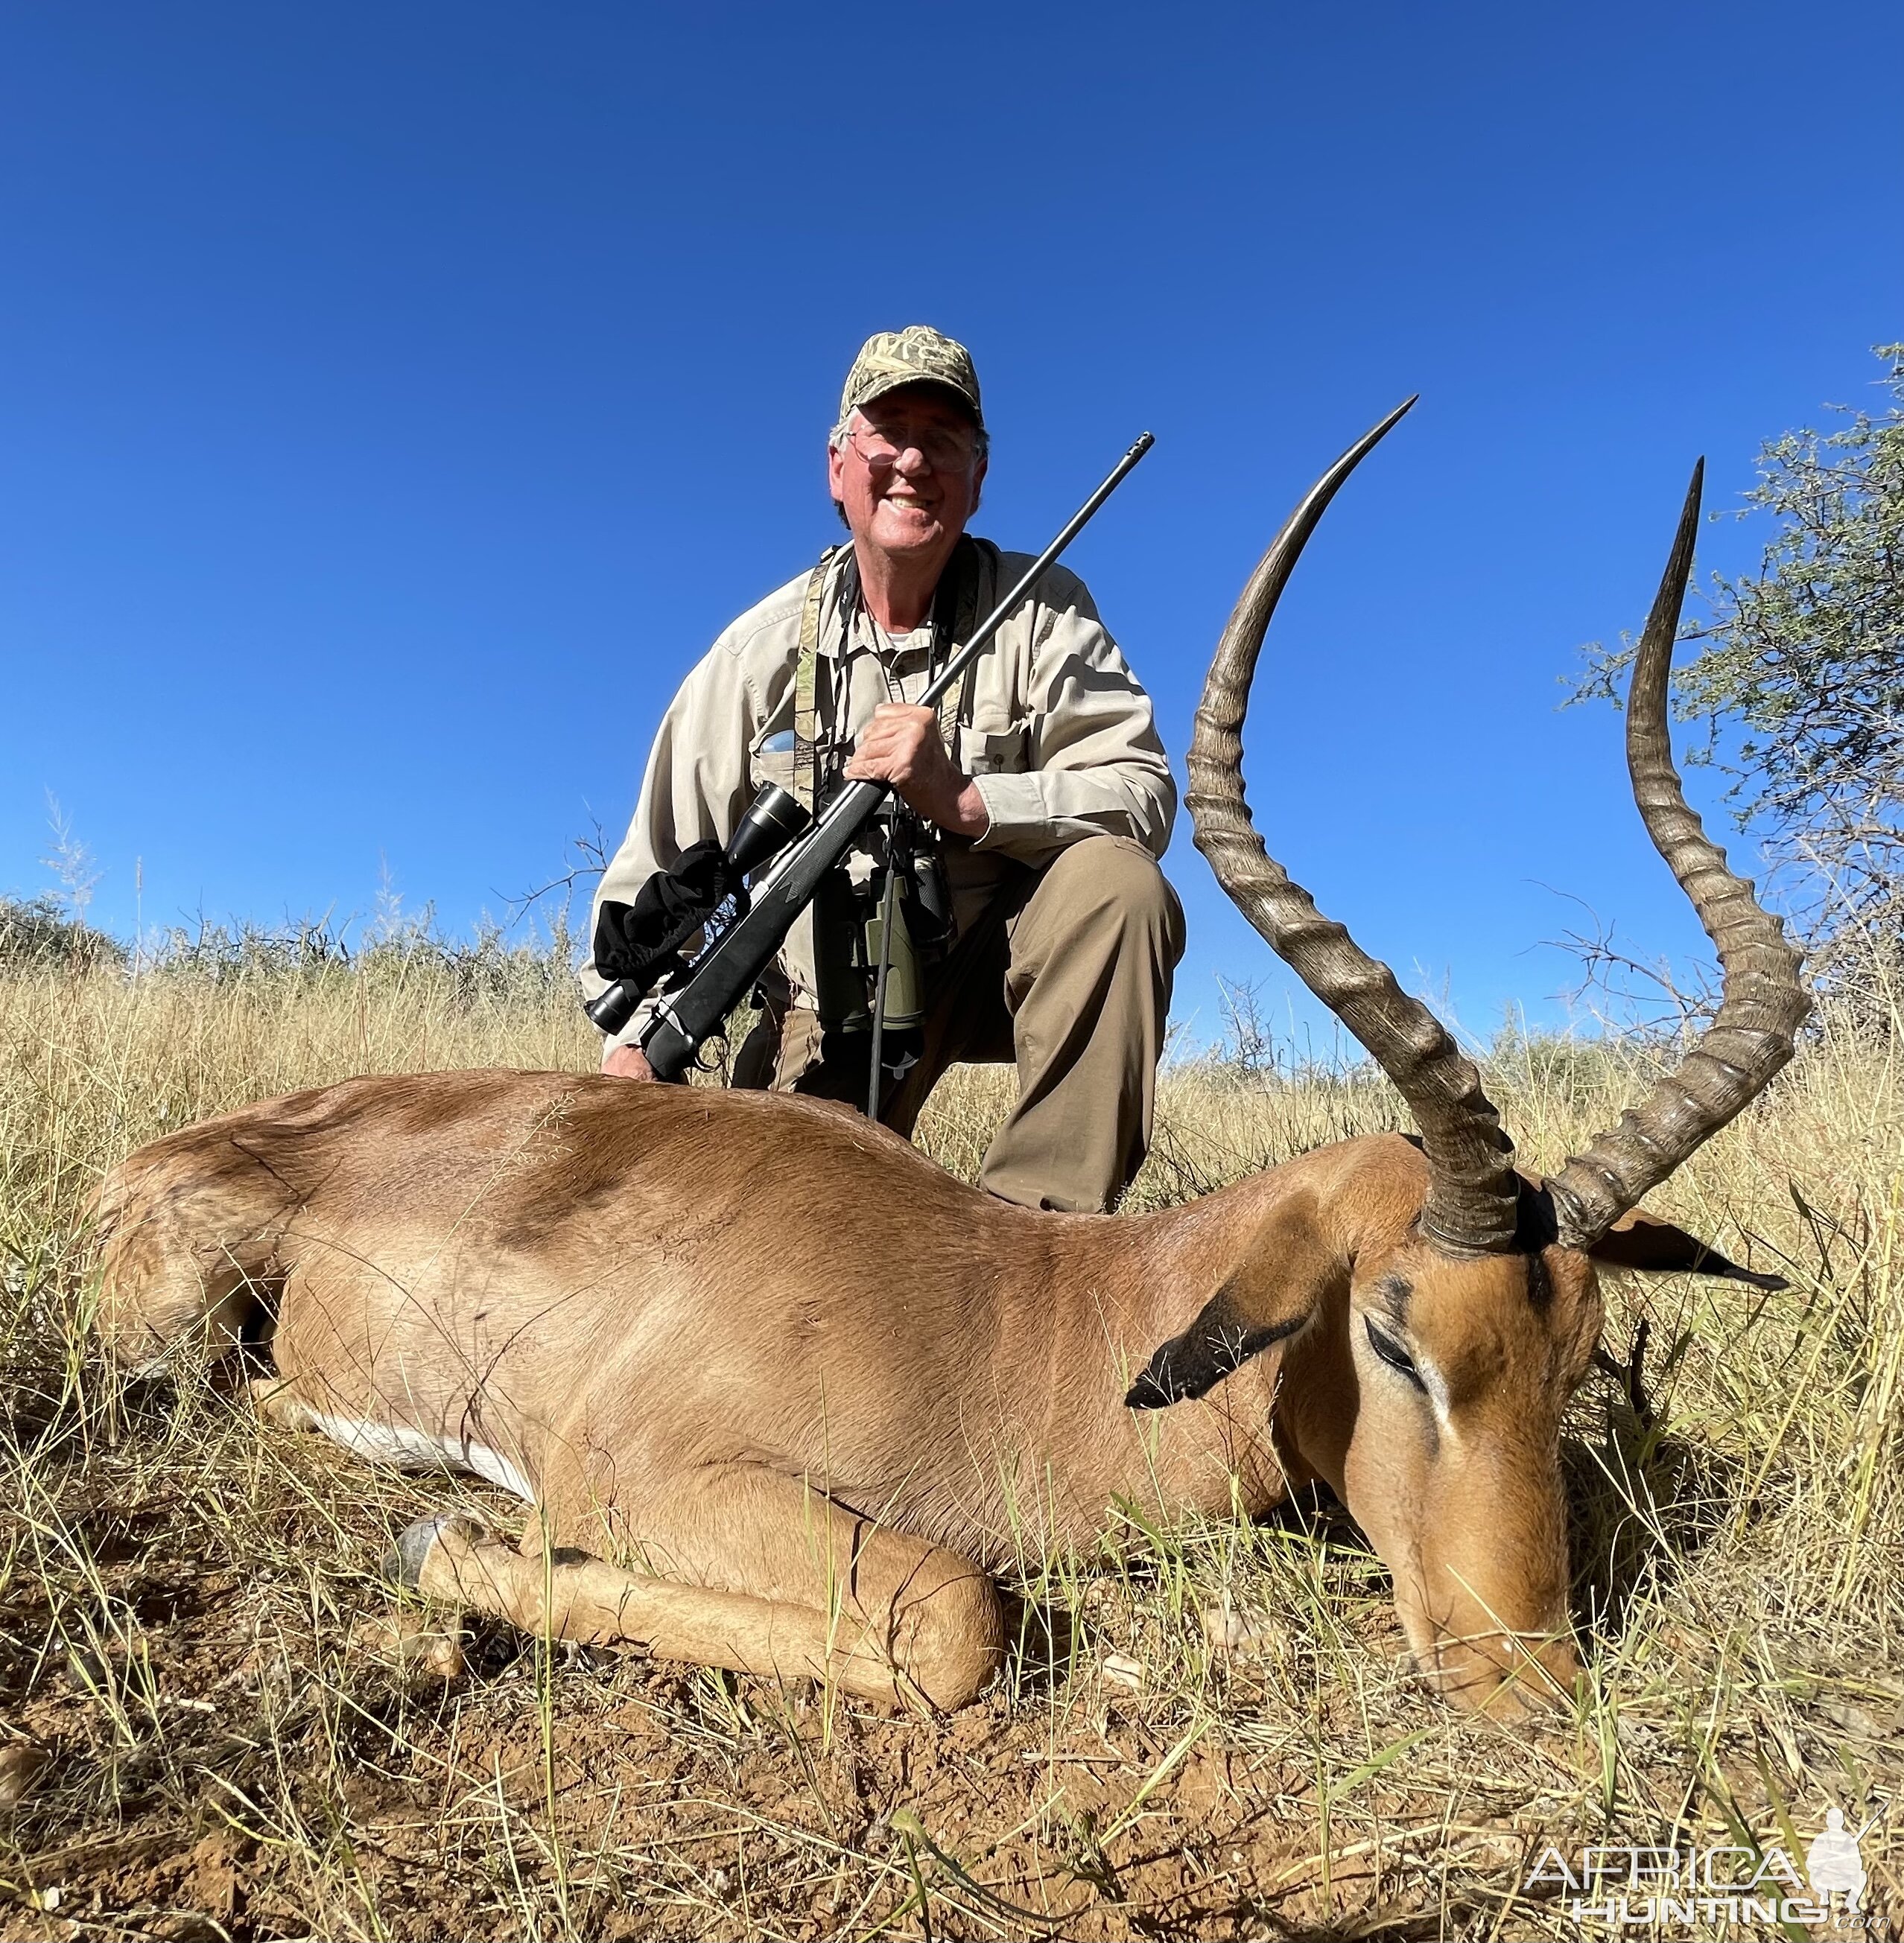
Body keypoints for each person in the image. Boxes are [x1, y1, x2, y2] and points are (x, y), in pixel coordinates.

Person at [583, 325, 1181, 1213]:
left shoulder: (1047, 612)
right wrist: (632, 1043)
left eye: (942, 439)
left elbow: (1142, 791)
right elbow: (647, 880)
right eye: (887, 431)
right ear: (837, 466)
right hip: (827, 1002)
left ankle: (1042, 1240)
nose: (912, 459)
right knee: (779, 1237)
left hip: (999, 965)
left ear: (978, 476)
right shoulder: (755, 656)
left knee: (1118, 889)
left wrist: (969, 799)